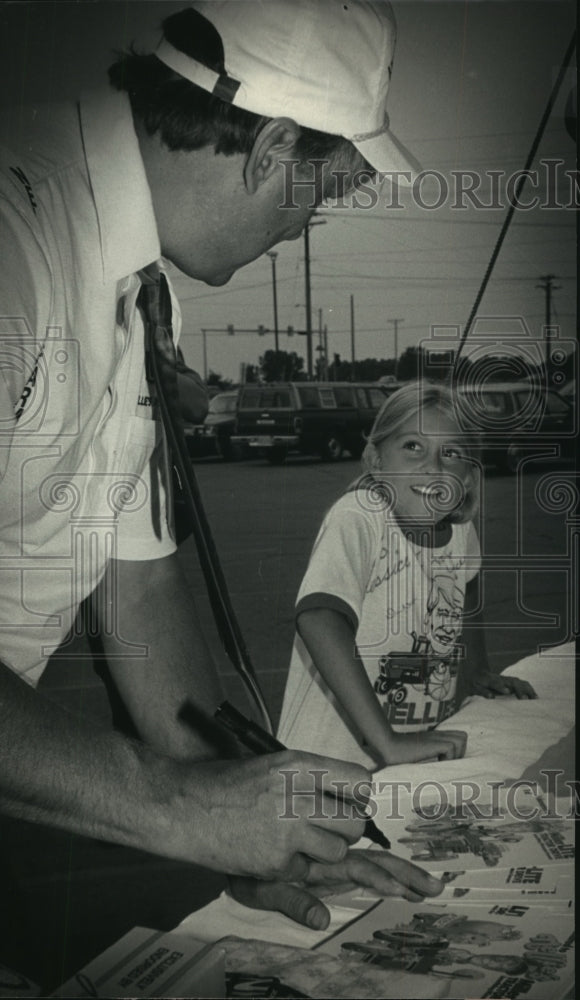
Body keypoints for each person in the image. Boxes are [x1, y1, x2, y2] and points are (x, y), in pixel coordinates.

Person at [0, 0, 445, 943]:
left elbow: (133, 578)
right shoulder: (16, 240)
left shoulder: (126, 275)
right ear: (272, 146)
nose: (308, 225)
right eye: (322, 191)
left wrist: (228, 807)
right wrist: (178, 807)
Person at [278, 381, 536, 768]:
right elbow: (319, 618)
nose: (433, 467)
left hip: (409, 765)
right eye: (412, 446)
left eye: (451, 453)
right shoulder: (359, 516)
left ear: (467, 477)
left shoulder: (461, 530)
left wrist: (477, 670)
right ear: (376, 460)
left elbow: (466, 591)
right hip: (326, 768)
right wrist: (388, 741)